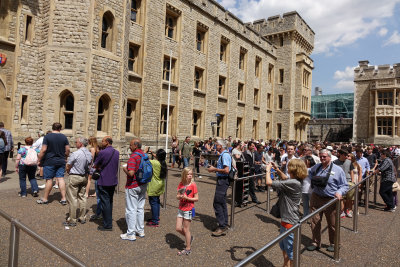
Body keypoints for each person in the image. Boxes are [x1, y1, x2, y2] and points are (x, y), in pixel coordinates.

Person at [266, 159, 308, 267]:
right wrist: (277, 169)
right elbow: (285, 178)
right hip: (286, 220)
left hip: (290, 222)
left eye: (289, 166)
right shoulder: (296, 181)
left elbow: (269, 182)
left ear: (293, 169)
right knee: (284, 248)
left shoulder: (294, 183)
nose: (287, 167)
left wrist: (268, 171)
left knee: (291, 253)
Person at [306, 149, 348, 253]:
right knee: (314, 221)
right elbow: (310, 172)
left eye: (324, 156)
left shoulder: (338, 170)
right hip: (316, 197)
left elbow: (344, 185)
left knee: (332, 223)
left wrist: (339, 192)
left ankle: (334, 243)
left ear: (330, 157)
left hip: (331, 199)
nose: (322, 158)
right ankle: (315, 242)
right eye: (321, 156)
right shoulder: (317, 167)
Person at [36, 123, 70, 205]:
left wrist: (39, 159)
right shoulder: (64, 137)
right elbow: (68, 150)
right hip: (61, 160)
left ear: (52, 128)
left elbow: (43, 150)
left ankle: (45, 199)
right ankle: (63, 198)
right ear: (60, 128)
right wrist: (65, 157)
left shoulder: (47, 137)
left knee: (49, 179)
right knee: (61, 178)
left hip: (49, 161)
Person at [121, 138, 147, 240]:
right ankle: (140, 230)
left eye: (131, 145)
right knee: (140, 208)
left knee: (131, 209)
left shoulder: (133, 156)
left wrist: (124, 169)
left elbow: (131, 173)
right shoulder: (144, 155)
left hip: (133, 185)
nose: (129, 147)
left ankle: (131, 233)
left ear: (135, 146)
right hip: (143, 184)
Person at [64, 138, 92, 226]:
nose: (75, 143)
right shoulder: (89, 154)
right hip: (84, 177)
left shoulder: (75, 153)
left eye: (76, 142)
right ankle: (82, 217)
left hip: (75, 176)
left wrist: (68, 171)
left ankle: (72, 219)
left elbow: (68, 165)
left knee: (72, 198)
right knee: (82, 197)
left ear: (80, 144)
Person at [93, 136, 119, 231]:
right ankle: (108, 220)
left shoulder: (102, 152)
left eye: (103, 141)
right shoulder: (116, 152)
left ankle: (107, 225)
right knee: (109, 201)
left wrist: (98, 167)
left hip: (104, 180)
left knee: (105, 202)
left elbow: (95, 165)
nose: (101, 142)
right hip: (113, 180)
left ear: (107, 142)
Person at [208, 140, 232, 236]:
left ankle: (222, 226)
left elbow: (226, 170)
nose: (214, 146)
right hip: (221, 179)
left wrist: (214, 169)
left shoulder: (225, 155)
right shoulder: (223, 154)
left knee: (217, 202)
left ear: (220, 146)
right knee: (222, 202)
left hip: (223, 180)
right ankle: (224, 224)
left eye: (216, 145)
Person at [176, 167, 198, 256]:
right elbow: (177, 196)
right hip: (181, 208)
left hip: (189, 209)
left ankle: (188, 248)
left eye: (191, 174)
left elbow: (197, 198)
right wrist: (180, 197)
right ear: (184, 175)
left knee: (186, 229)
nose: (190, 176)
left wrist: (187, 198)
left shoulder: (193, 185)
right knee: (178, 228)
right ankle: (189, 237)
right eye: (188, 174)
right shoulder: (181, 184)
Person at [146, 149, 167, 227]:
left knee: (153, 202)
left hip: (154, 185)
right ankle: (156, 217)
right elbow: (158, 157)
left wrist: (144, 152)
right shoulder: (163, 163)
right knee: (157, 202)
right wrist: (152, 153)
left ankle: (155, 221)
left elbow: (145, 160)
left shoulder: (154, 163)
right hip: (160, 185)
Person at [346, 153, 362, 218]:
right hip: (349, 182)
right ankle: (349, 209)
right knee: (349, 197)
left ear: (352, 158)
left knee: (355, 197)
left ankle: (356, 208)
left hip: (355, 181)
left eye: (349, 156)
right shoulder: (346, 164)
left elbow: (360, 173)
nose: (347, 157)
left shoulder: (357, 164)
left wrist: (359, 182)